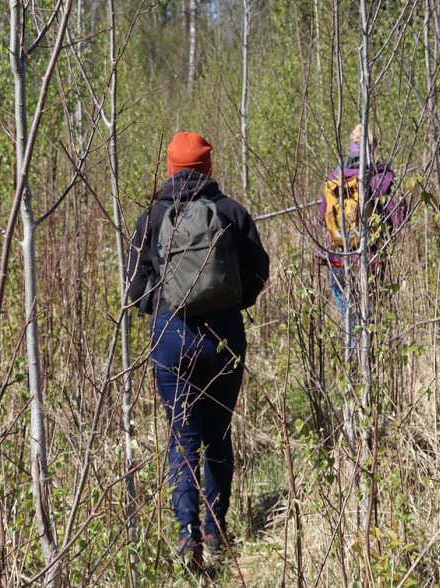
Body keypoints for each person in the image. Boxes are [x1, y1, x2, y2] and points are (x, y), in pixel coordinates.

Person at [127, 131, 269, 569]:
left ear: (170, 168)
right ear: (208, 167)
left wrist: (164, 304)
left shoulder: (151, 218)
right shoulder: (230, 211)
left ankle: (186, 538)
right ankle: (215, 533)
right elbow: (259, 273)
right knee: (218, 435)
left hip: (171, 337)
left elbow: (135, 291)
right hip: (224, 336)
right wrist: (227, 304)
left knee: (183, 439)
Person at [316, 124, 403, 347]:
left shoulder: (334, 177)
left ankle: (352, 372)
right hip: (370, 261)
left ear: (350, 147)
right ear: (374, 148)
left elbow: (321, 217)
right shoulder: (381, 178)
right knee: (369, 322)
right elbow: (399, 218)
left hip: (336, 258)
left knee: (349, 321)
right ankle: (368, 371)